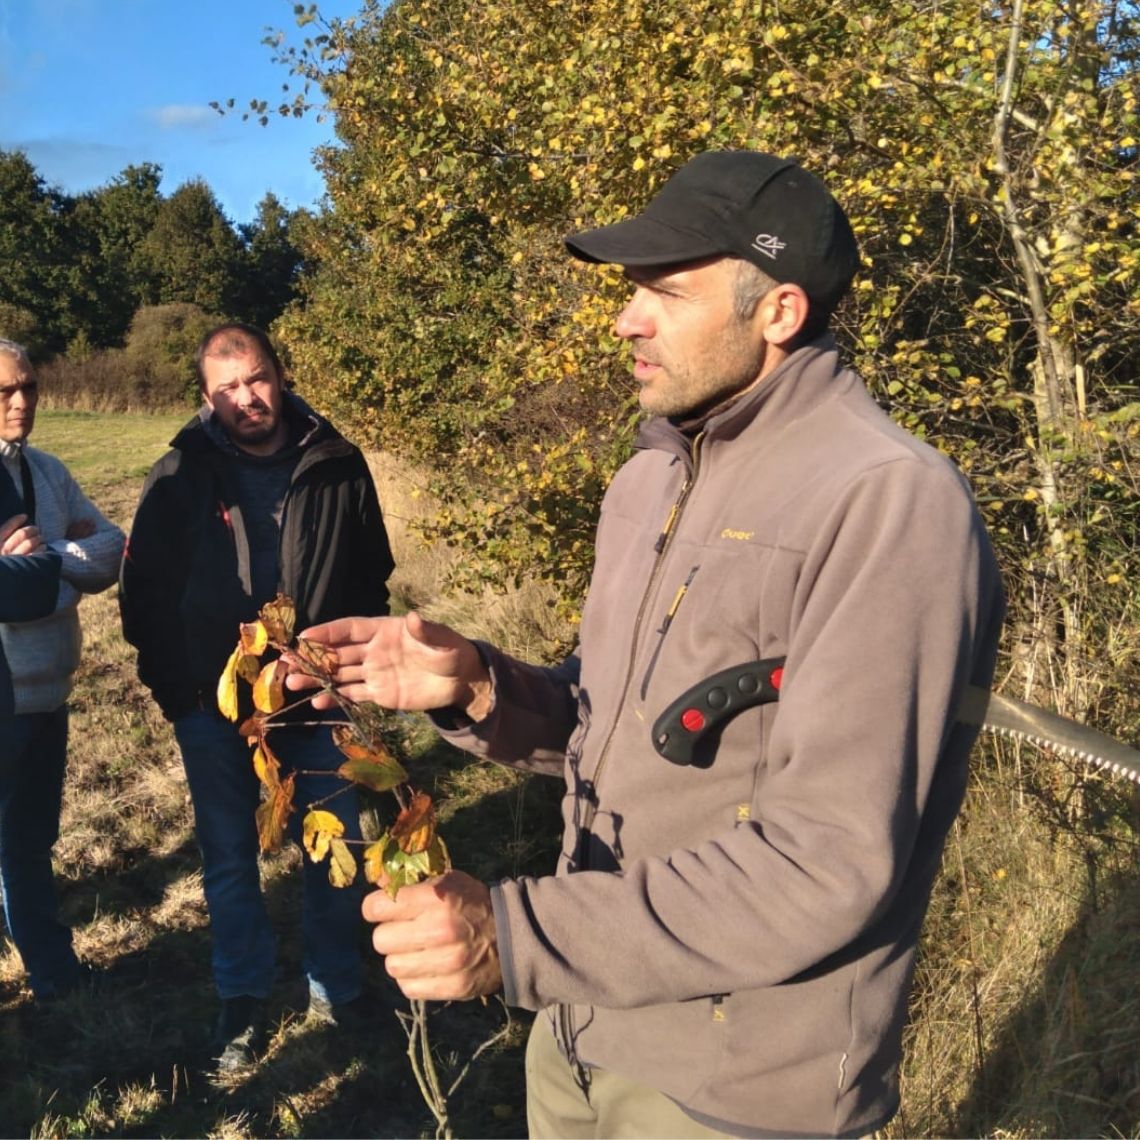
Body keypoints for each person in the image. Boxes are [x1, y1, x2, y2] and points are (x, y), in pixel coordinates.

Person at [287, 152, 1006, 1137]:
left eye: (665, 290)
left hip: (739, 1084)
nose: (627, 317)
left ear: (779, 312)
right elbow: (621, 722)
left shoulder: (885, 502)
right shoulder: (653, 476)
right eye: (632, 290)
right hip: (581, 1032)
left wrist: (516, 936)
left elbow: (828, 858)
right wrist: (478, 692)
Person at [118, 322, 395, 1072]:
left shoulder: (336, 461)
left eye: (259, 378)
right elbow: (141, 592)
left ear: (281, 373)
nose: (248, 399)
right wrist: (177, 692)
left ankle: (337, 988)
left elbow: (373, 573)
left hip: (319, 697)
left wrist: (354, 665)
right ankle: (241, 997)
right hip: (216, 707)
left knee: (332, 846)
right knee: (230, 856)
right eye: (228, 389)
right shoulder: (181, 472)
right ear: (207, 399)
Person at [0, 339, 125, 1002]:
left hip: (52, 686)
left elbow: (110, 553)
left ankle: (48, 968)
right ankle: (53, 976)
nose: (22, 403)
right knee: (14, 843)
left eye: (30, 389)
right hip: (5, 693)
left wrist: (43, 562)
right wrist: (58, 568)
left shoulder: (47, 472)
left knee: (34, 835)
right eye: (5, 393)